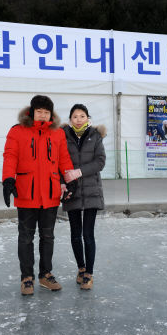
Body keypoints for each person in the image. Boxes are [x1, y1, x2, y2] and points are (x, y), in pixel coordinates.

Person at [2, 95, 74, 296]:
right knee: (26, 237)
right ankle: (27, 277)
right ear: (31, 112)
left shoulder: (58, 133)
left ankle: (45, 274)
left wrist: (71, 181)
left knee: (48, 236)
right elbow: (10, 156)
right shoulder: (17, 131)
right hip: (26, 192)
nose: (42, 115)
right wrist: (8, 179)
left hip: (50, 195)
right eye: (39, 111)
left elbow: (64, 160)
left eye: (46, 112)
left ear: (51, 114)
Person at [61, 104, 106, 290]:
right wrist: (62, 181)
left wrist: (79, 172)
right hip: (71, 191)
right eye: (75, 116)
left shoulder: (95, 136)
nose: (78, 119)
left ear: (88, 118)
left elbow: (100, 162)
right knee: (75, 235)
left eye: (82, 116)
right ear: (70, 119)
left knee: (88, 234)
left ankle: (89, 273)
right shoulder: (63, 136)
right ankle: (81, 268)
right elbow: (59, 160)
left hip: (91, 190)